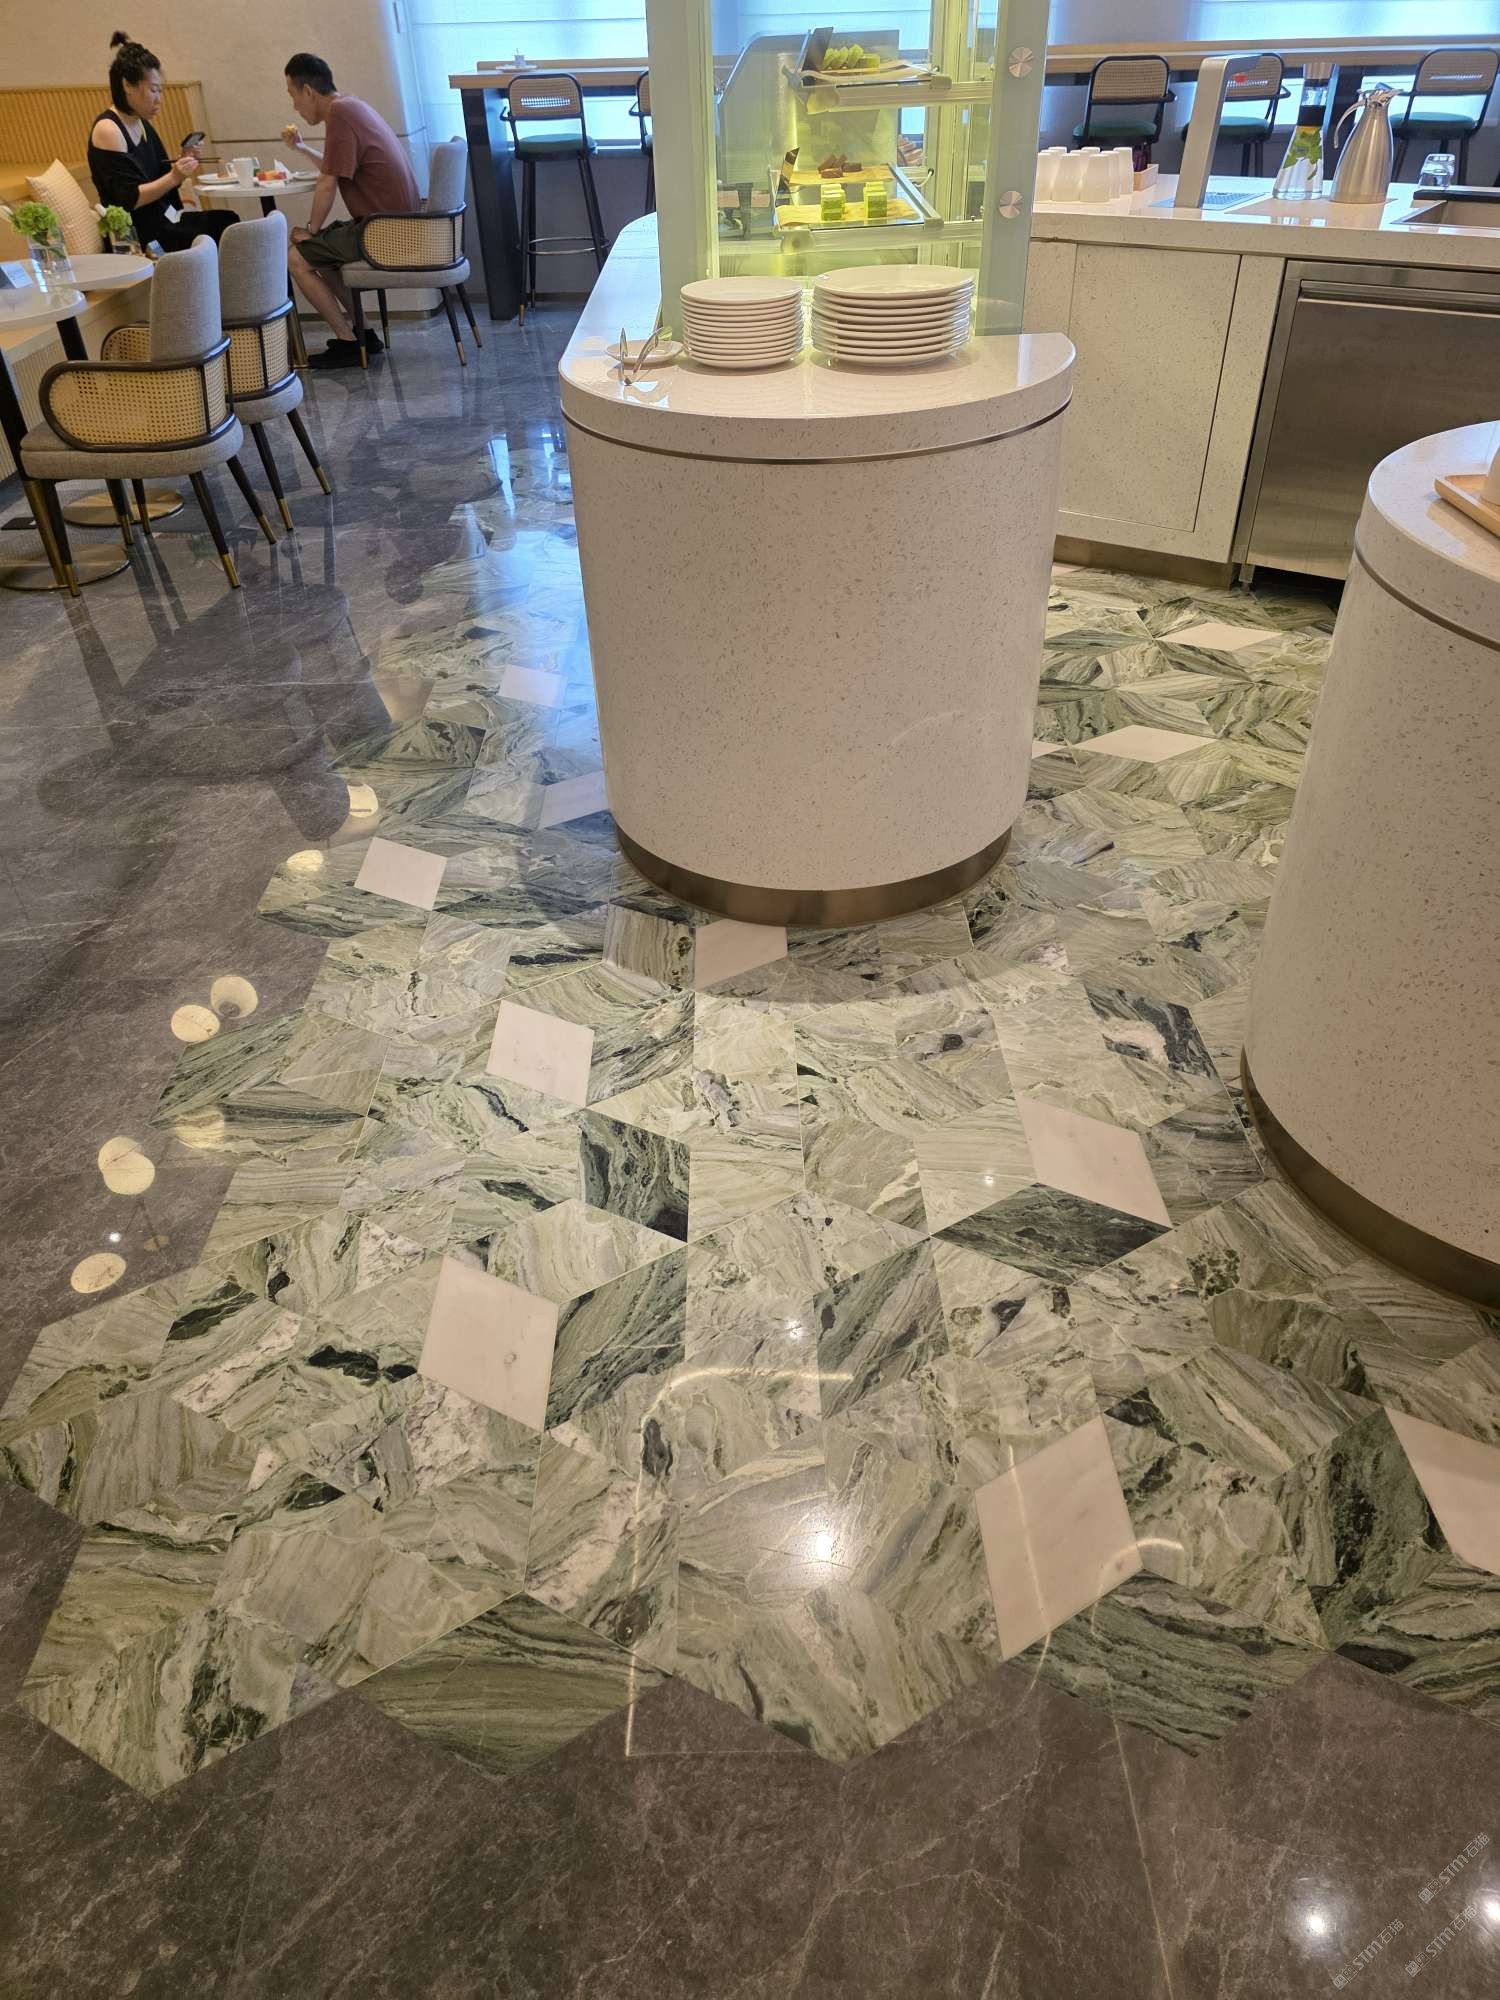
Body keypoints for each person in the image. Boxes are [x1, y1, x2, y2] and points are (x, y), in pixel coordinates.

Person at [280, 53, 420, 370]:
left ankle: (347, 341)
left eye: (292, 95)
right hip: (395, 224)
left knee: (296, 258)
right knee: (321, 254)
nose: (294, 106)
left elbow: (327, 182)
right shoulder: (350, 106)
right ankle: (364, 335)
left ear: (308, 91)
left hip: (385, 229)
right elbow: (334, 167)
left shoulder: (340, 114)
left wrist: (311, 230)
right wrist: (301, 148)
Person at [88, 33, 235, 254]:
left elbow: (161, 177)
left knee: (228, 221)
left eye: (160, 91)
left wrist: (182, 162)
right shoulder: (109, 129)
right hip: (136, 234)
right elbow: (129, 199)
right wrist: (175, 176)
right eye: (153, 90)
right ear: (127, 85)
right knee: (219, 232)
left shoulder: (140, 123)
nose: (159, 99)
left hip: (162, 219)